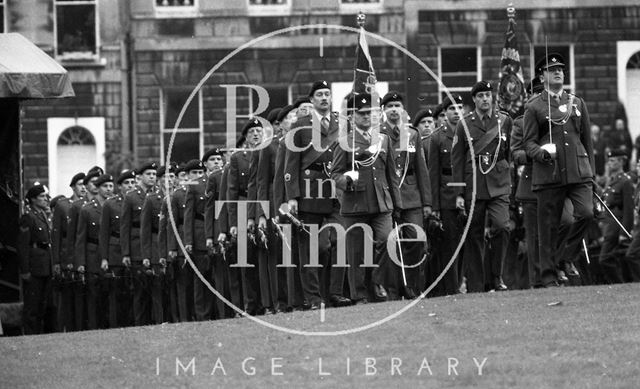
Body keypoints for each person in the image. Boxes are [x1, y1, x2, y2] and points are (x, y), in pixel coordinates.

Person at [523, 53, 595, 287]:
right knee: (548, 228)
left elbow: (587, 141)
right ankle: (549, 277)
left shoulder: (577, 103)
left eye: (560, 69)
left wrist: (591, 175)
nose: (558, 72)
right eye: (552, 69)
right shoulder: (534, 106)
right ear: (542, 75)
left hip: (577, 170)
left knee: (586, 213)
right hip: (549, 172)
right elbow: (528, 143)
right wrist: (542, 152)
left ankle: (564, 258)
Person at [285, 80, 350, 309]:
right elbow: (291, 164)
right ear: (312, 99)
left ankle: (335, 292)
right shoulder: (300, 125)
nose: (324, 98)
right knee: (310, 249)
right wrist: (292, 196)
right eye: (319, 95)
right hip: (309, 192)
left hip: (335, 191)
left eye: (327, 94)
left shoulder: (341, 124)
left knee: (340, 240)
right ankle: (313, 298)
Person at [331, 92, 402, 304]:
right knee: (357, 252)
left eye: (370, 113)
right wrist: (347, 179)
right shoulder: (344, 142)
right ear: (352, 116)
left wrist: (397, 204)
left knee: (386, 240)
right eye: (361, 114)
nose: (366, 117)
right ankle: (359, 294)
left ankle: (378, 283)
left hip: (381, 202)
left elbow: (391, 174)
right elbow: (334, 174)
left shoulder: (384, 139)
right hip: (356, 204)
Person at [452, 81, 512, 293]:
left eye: (488, 95)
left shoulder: (504, 120)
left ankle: (497, 278)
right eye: (481, 96)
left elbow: (509, 154)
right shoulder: (464, 124)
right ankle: (477, 285)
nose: (485, 99)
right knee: (474, 235)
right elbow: (457, 159)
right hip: (474, 184)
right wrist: (459, 193)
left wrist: (509, 181)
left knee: (502, 226)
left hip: (498, 183)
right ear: (475, 99)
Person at [380, 91, 432, 299]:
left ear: (403, 109)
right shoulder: (378, 134)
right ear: (384, 110)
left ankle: (412, 285)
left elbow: (421, 169)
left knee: (416, 241)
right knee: (392, 243)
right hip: (388, 195)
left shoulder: (412, 134)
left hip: (411, 195)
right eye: (390, 106)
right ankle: (394, 289)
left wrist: (427, 202)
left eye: (397, 106)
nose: (394, 109)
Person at [427, 94, 465, 295]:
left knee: (466, 242)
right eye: (452, 109)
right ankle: (452, 287)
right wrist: (434, 207)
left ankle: (467, 283)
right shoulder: (437, 137)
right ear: (445, 113)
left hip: (468, 193)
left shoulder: (469, 133)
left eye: (459, 108)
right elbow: (433, 174)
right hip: (447, 196)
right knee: (451, 244)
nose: (456, 112)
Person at [511, 78, 544, 289]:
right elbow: (516, 154)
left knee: (567, 222)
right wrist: (537, 153)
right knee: (533, 235)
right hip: (532, 183)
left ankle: (558, 265)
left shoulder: (556, 119)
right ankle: (538, 280)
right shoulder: (520, 122)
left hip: (558, 182)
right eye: (534, 95)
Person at [75, 173, 114, 329]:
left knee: (109, 294)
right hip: (93, 255)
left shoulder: (115, 205)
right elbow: (81, 238)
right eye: (105, 186)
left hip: (111, 253)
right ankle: (93, 327)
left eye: (111, 186)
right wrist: (81, 262)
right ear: (97, 189)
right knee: (93, 296)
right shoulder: (87, 209)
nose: (109, 189)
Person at [121, 161, 157, 325]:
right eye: (148, 174)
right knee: (139, 291)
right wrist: (126, 252)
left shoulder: (157, 195)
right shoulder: (131, 197)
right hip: (136, 247)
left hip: (154, 245)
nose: (152, 177)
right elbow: (125, 226)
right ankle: (139, 323)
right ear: (140, 177)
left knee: (154, 289)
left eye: (154, 174)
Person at [99, 169, 135, 327]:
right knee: (116, 292)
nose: (130, 186)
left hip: (133, 251)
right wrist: (105, 258)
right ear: (119, 187)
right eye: (126, 183)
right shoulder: (110, 204)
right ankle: (115, 325)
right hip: (115, 252)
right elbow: (104, 232)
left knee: (132, 292)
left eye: (133, 182)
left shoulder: (138, 201)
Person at [51, 172, 85, 332]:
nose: (83, 187)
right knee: (68, 298)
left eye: (86, 184)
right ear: (73, 187)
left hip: (85, 255)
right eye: (80, 184)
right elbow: (56, 235)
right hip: (67, 255)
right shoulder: (63, 205)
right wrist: (56, 261)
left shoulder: (90, 204)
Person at [18, 183, 53, 335]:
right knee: (32, 305)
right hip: (34, 266)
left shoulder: (42, 215)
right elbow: (23, 246)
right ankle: (30, 333)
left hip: (45, 264)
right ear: (33, 199)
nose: (45, 199)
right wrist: (25, 270)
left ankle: (38, 333)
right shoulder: (28, 217)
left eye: (45, 196)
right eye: (42, 197)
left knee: (42, 304)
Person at [184, 159, 215, 320]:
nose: (216, 163)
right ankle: (202, 313)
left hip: (217, 233)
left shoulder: (220, 179)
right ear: (206, 165)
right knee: (201, 277)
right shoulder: (195, 185)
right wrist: (188, 240)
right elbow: (188, 214)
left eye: (218, 159)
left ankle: (215, 312)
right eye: (212, 160)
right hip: (200, 234)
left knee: (216, 276)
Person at [598, 150, 634, 283]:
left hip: (617, 223)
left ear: (621, 162)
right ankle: (621, 283)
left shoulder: (625, 181)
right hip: (608, 224)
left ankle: (619, 283)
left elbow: (628, 209)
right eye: (609, 160)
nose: (610, 163)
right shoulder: (611, 180)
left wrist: (625, 231)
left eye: (613, 160)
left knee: (605, 259)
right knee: (611, 258)